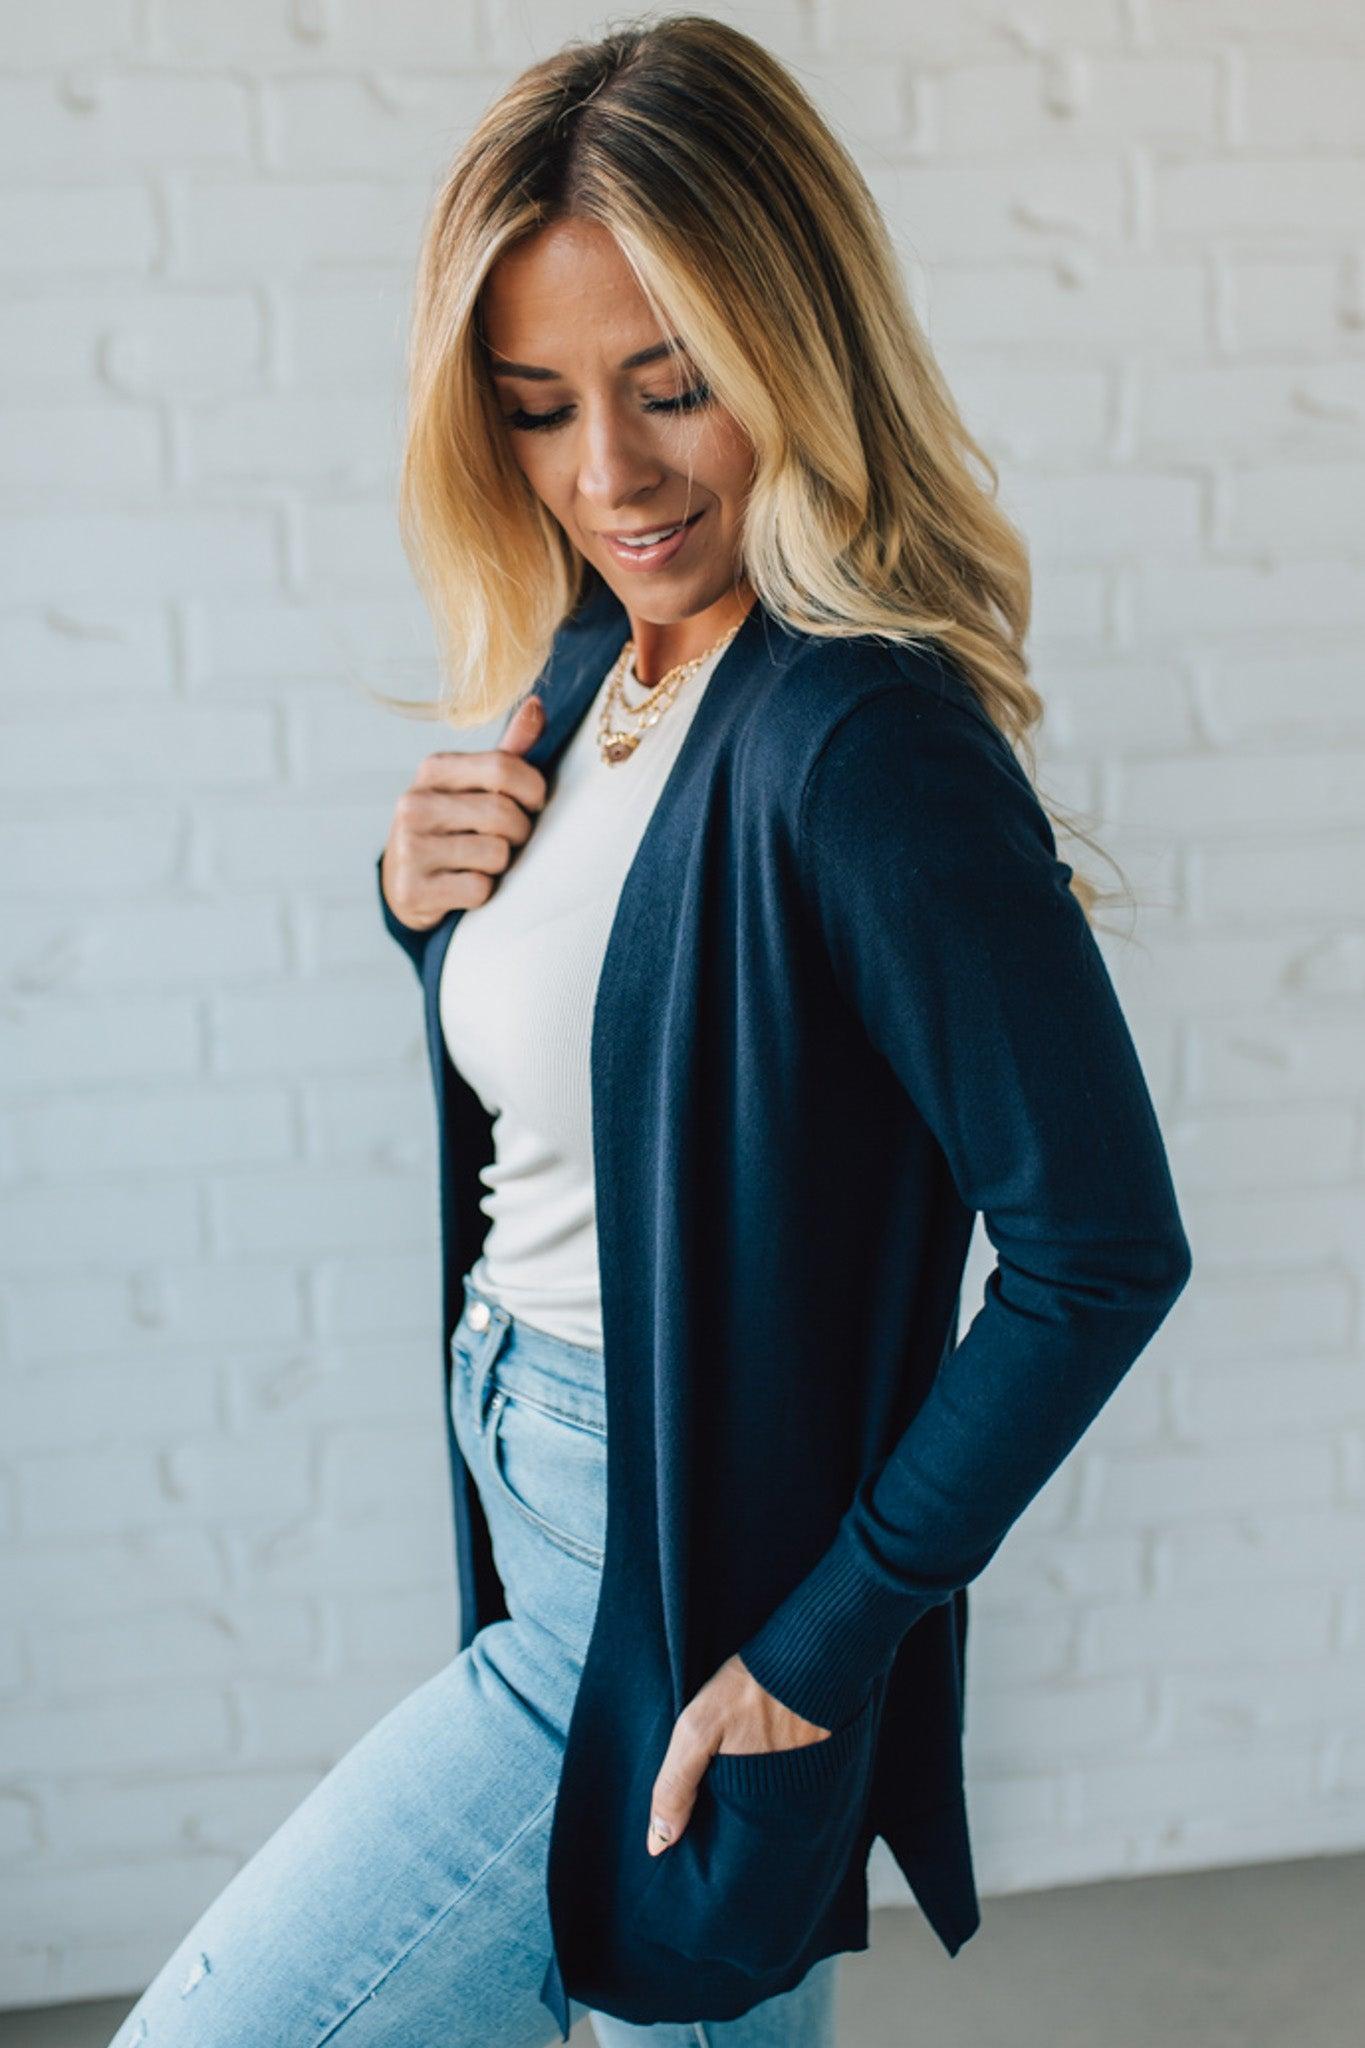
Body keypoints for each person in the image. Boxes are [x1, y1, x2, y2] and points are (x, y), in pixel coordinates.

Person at [108, 15, 1192, 2046]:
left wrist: (823, 1643)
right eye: (535, 408)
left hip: (671, 1556)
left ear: (795, 343)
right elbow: (624, 1062)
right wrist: (421, 911)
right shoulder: (600, 650)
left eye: (671, 384)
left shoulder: (859, 743)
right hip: (542, 1477)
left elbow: (1100, 1251)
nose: (606, 475)